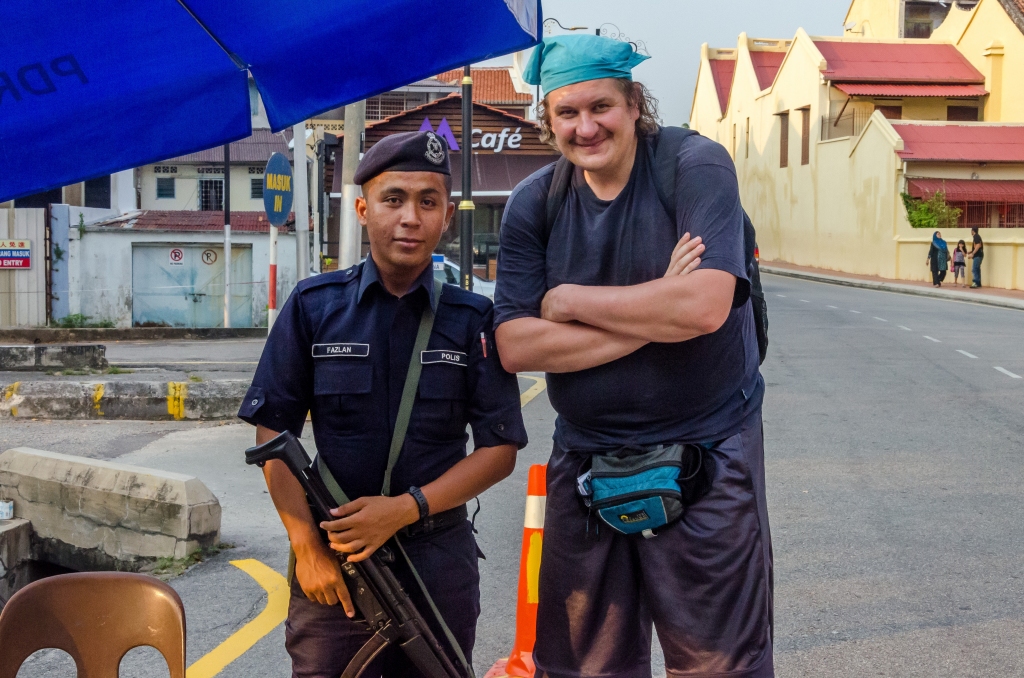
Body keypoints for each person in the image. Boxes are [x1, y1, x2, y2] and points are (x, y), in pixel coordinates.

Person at [494, 34, 772, 678]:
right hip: (586, 452)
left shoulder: (693, 165)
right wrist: (657, 315)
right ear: (550, 122)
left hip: (709, 446)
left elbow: (704, 308)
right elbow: (515, 345)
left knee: (718, 663)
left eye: (602, 108)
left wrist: (566, 300)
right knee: (583, 662)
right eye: (567, 114)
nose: (586, 127)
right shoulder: (536, 202)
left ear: (634, 104)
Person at [238, 131, 528, 677]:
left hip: (437, 561)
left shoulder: (472, 321)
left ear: (447, 217)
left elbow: (499, 449)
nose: (410, 217)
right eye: (393, 199)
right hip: (336, 563)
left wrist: (404, 509)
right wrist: (305, 547)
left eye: (428, 201)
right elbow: (272, 436)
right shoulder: (314, 307)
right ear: (364, 209)